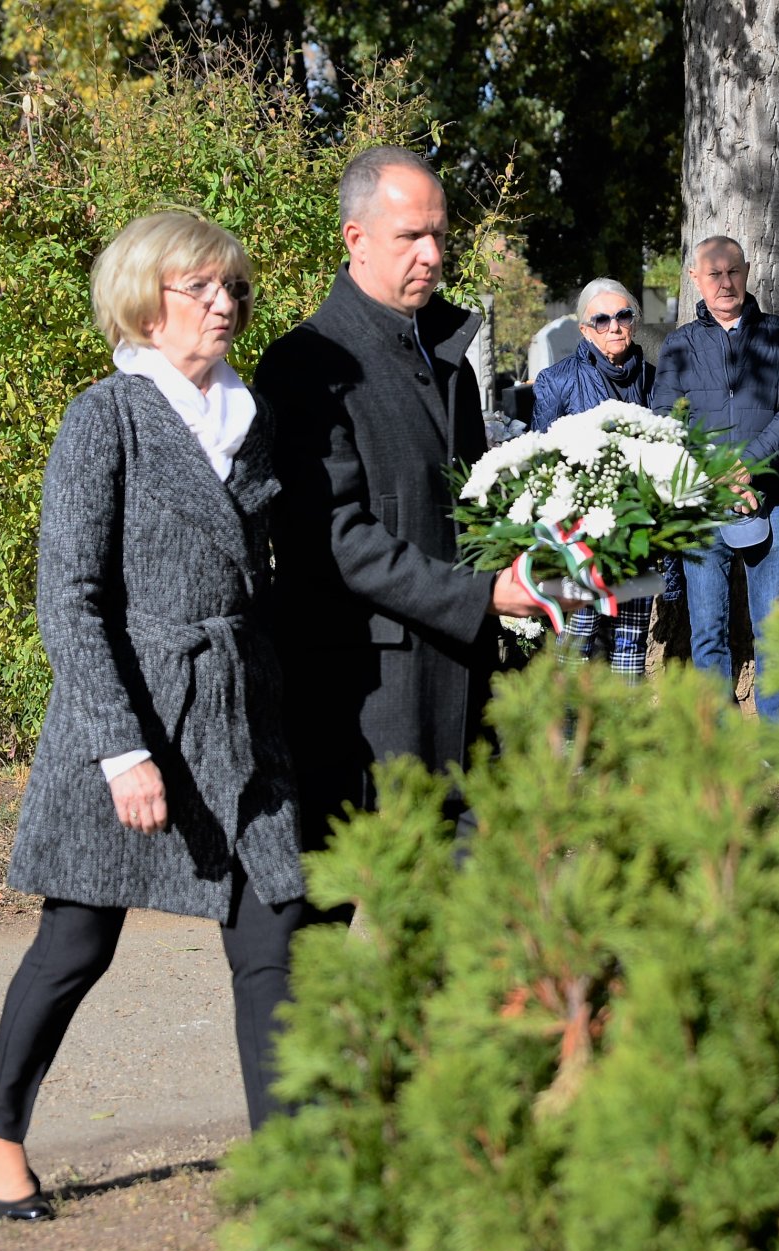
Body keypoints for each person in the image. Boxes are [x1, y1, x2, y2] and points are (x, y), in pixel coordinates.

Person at [0, 211, 313, 1222]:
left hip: (240, 715)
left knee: (273, 933)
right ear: (143, 300)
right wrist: (123, 752)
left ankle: (287, 1173)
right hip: (124, 717)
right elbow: (68, 598)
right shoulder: (105, 417)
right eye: (199, 287)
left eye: (232, 288)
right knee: (78, 944)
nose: (224, 304)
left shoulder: (252, 420)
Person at [256, 147, 542, 853]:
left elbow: (474, 504)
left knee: (475, 914)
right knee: (371, 926)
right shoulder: (306, 366)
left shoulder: (445, 355)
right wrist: (481, 596)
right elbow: (337, 538)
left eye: (440, 234)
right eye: (411, 235)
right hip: (373, 698)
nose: (432, 253)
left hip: (470, 686)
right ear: (355, 239)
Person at [650, 234, 779, 719]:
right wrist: (717, 475)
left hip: (771, 498)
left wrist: (750, 467)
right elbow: (664, 421)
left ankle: (778, 740)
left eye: (733, 271)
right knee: (707, 629)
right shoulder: (679, 346)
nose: (725, 283)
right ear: (695, 279)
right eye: (714, 274)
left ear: (747, 273)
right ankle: (716, 736)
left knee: (774, 626)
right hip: (703, 505)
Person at [530, 277, 658, 682]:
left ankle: (625, 740)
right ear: (585, 330)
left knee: (630, 645)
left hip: (636, 536)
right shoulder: (558, 381)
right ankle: (568, 742)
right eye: (601, 320)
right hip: (579, 539)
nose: (614, 327)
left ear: (634, 322)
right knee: (576, 644)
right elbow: (541, 460)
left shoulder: (657, 381)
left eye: (623, 316)